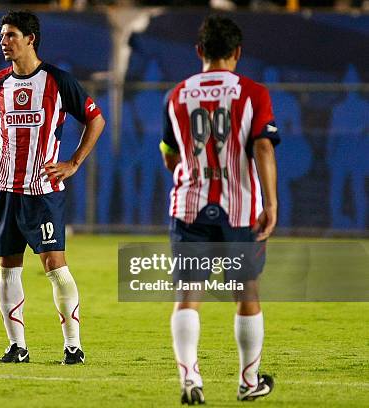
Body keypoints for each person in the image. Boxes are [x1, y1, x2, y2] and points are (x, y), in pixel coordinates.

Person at [160, 16, 278, 404]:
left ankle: (190, 378)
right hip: (239, 208)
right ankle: (248, 381)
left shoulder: (177, 95)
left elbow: (169, 154)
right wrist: (271, 202)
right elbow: (262, 146)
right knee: (246, 290)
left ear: (199, 51)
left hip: (190, 206)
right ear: (237, 53)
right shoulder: (253, 93)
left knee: (188, 294)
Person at [0, 10, 105, 365]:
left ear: (31, 38)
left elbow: (96, 119)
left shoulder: (59, 81)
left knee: (56, 267)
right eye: (2, 36)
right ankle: (18, 347)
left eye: (11, 35)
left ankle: (73, 346)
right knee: (8, 267)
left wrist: (73, 162)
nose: (4, 42)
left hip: (42, 192)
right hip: (4, 190)